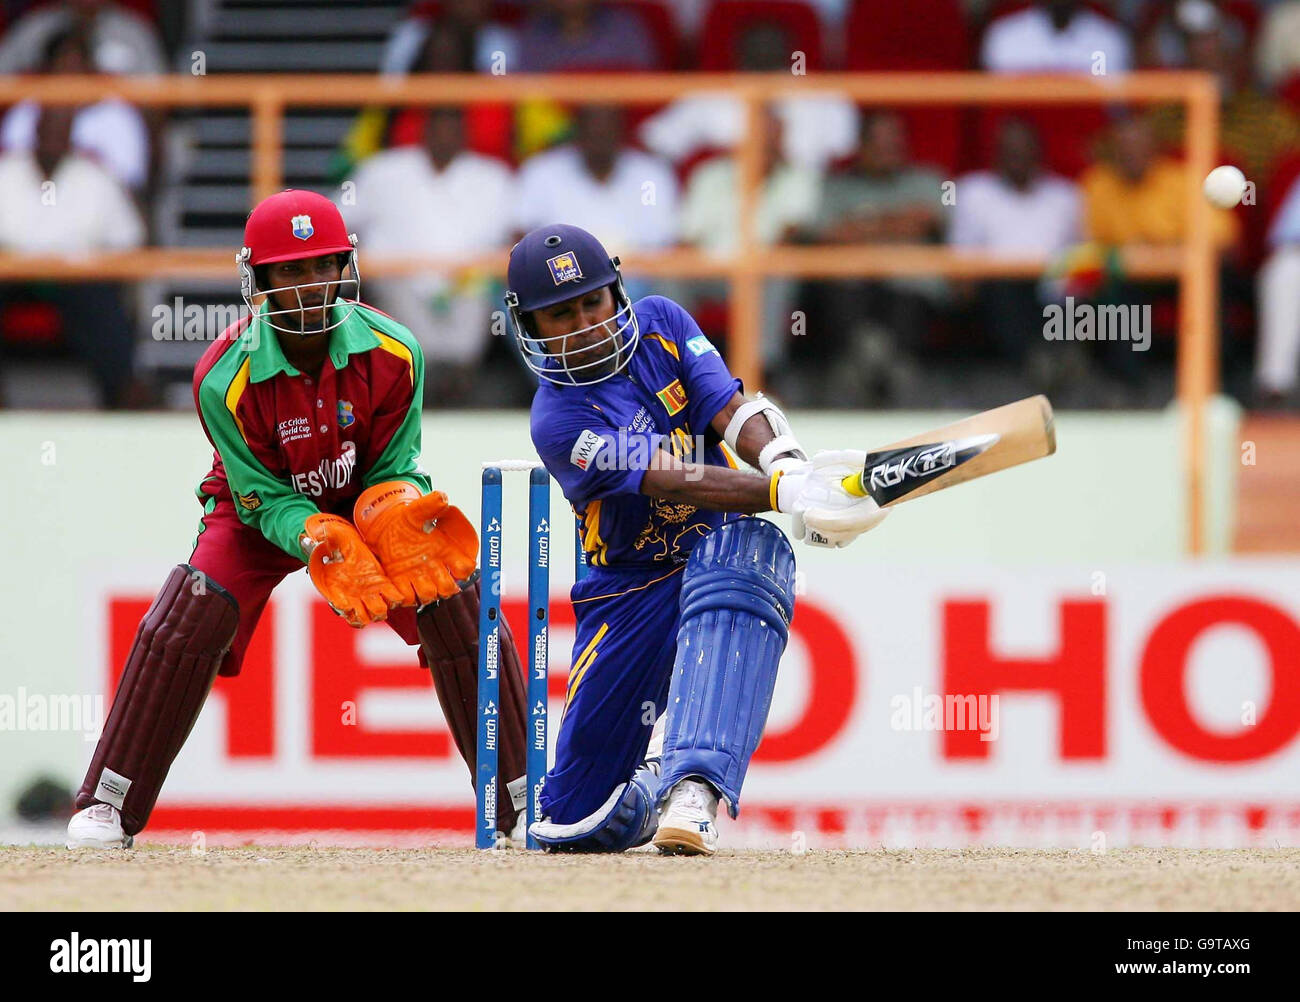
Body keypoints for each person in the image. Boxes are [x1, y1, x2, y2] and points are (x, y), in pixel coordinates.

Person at [65, 190, 531, 849]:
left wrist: (392, 515)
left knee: (454, 596)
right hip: (258, 516)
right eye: (292, 272)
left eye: (323, 267)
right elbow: (258, 495)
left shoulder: (396, 350)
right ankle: (106, 802)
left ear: (347, 267)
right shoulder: (222, 375)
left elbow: (395, 465)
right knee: (191, 608)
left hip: (362, 501)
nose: (311, 287)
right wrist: (314, 534)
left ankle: (520, 801)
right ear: (259, 282)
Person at [504, 224, 887, 854]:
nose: (585, 325)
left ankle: (695, 788)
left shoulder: (661, 322)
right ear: (530, 326)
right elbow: (668, 476)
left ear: (617, 292)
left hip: (712, 557)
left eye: (593, 303)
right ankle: (654, 789)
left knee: (749, 549)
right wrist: (785, 494)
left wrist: (787, 462)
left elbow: (729, 406)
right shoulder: (557, 418)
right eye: (561, 315)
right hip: (628, 596)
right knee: (576, 823)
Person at [345, 105, 515, 406]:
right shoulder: (383, 171)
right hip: (399, 282)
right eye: (439, 125)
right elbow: (337, 221)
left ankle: (455, 393)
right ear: (424, 130)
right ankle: (418, 391)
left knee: (475, 306)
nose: (445, 134)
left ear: (466, 134)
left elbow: (516, 237)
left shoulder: (492, 176)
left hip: (469, 285)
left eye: (454, 126)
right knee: (412, 335)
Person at [0, 104, 144, 408]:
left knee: (100, 301)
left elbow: (128, 240)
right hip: (11, 276)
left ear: (71, 136)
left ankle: (121, 398)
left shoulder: (96, 176)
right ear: (35, 132)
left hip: (77, 278)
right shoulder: (6, 171)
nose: (54, 137)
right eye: (48, 129)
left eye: (61, 131)